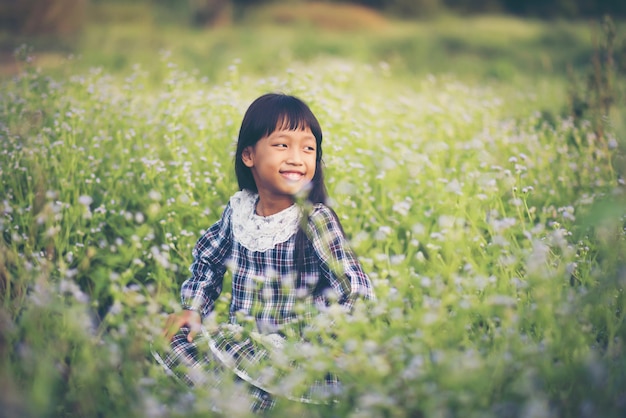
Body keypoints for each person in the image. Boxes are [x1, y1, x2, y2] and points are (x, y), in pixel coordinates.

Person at [157, 93, 375, 412]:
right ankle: (242, 402)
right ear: (249, 155)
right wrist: (194, 308)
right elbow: (208, 262)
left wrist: (335, 337)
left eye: (308, 148)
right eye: (282, 145)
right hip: (242, 344)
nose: (297, 157)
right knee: (167, 338)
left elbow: (355, 287)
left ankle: (255, 404)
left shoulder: (314, 219)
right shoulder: (239, 211)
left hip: (295, 353)